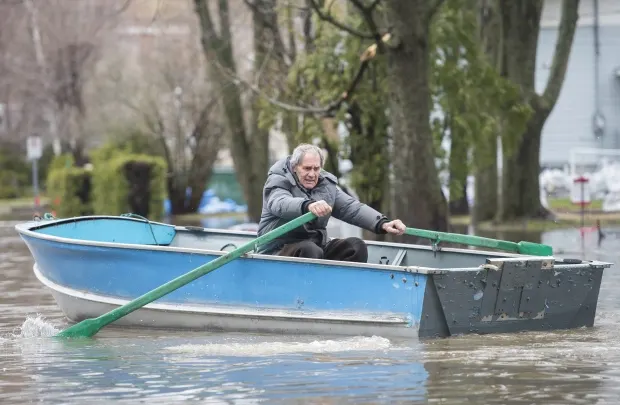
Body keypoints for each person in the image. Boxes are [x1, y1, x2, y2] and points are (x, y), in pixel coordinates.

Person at [256, 143, 406, 263]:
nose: (312, 174)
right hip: (278, 249)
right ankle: (306, 296)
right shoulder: (277, 181)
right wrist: (306, 205)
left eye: (316, 169)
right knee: (310, 250)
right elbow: (280, 203)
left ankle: (343, 294)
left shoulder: (326, 185)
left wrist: (383, 223)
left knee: (356, 246)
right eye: (307, 168)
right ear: (295, 167)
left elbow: (351, 208)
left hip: (316, 247)